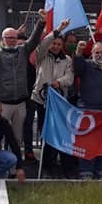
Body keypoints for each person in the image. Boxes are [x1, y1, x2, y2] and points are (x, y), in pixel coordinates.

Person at [0, 11, 45, 159]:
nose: (11, 40)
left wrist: (41, 23)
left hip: (20, 103)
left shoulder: (23, 51)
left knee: (16, 137)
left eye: (14, 37)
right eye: (8, 38)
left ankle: (13, 164)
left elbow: (34, 40)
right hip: (2, 103)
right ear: (3, 39)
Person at [30, 20, 74, 177]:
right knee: (46, 133)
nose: (55, 46)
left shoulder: (67, 60)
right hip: (42, 100)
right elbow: (43, 43)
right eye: (53, 43)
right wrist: (58, 30)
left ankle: (61, 165)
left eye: (58, 44)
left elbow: (69, 78)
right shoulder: (41, 56)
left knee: (60, 133)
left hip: (59, 102)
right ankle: (47, 166)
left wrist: (58, 83)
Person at [72, 42, 102, 179]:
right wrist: (79, 53)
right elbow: (77, 69)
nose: (100, 55)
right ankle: (86, 172)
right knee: (88, 145)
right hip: (88, 112)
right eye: (96, 53)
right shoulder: (86, 66)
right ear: (92, 54)